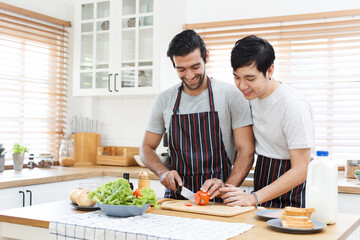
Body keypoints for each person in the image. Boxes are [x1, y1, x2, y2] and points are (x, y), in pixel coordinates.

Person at [140, 30, 254, 201]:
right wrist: (163, 173)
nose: (190, 75)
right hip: (176, 198)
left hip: (219, 197)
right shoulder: (165, 99)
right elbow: (146, 148)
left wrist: (226, 188)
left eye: (195, 67)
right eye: (181, 69)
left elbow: (246, 150)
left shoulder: (231, 95)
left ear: (206, 56)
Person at [220, 35, 315, 208]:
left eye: (250, 78)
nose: (242, 86)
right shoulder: (249, 97)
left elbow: (302, 169)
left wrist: (253, 198)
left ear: (270, 71)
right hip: (262, 182)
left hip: (292, 192)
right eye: (236, 77)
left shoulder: (293, 106)